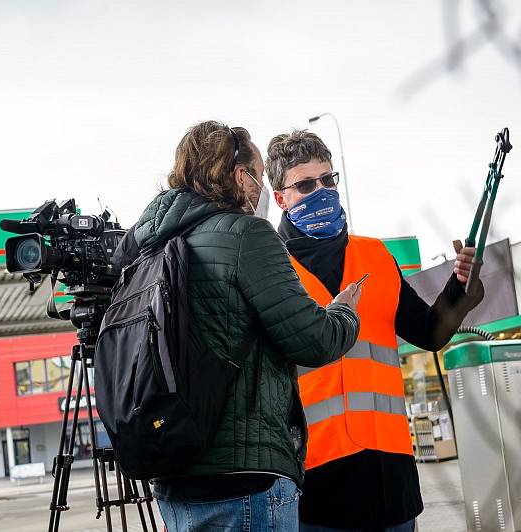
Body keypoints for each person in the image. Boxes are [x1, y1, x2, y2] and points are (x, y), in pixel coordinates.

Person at [123, 120, 362, 531]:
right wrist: (344, 312)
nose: (261, 189)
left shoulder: (148, 248)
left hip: (174, 475)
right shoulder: (247, 233)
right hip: (244, 480)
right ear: (239, 176)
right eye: (256, 175)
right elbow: (314, 340)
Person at [265, 130, 484, 531]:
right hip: (314, 487)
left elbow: (431, 333)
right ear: (280, 198)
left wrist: (459, 286)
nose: (322, 192)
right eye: (306, 184)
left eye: (329, 180)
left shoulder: (376, 256)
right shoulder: (268, 271)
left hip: (390, 478)